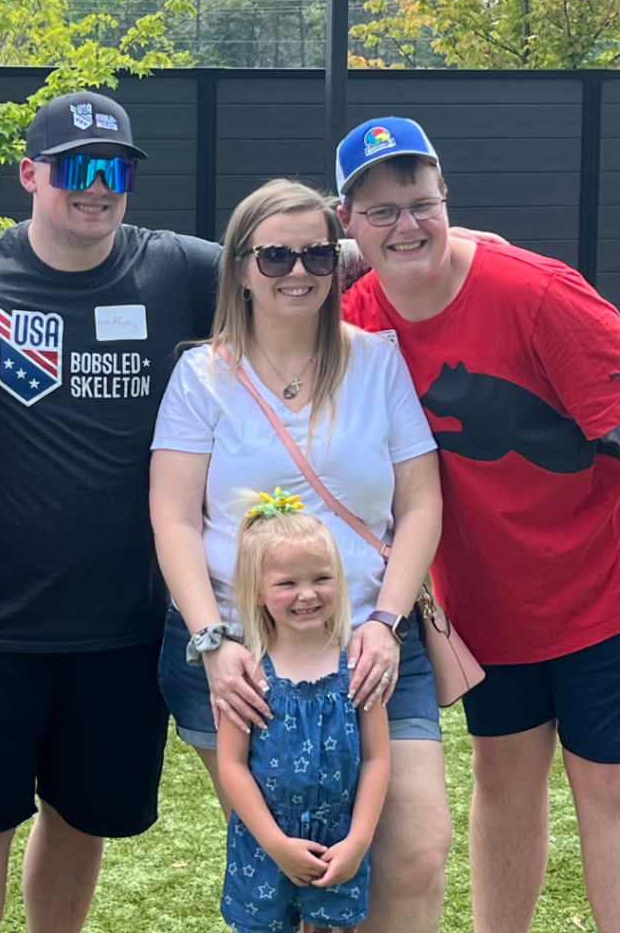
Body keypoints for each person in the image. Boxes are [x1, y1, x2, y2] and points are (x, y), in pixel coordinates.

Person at [0, 91, 220, 933]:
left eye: (115, 169)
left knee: (83, 820)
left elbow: (297, 262)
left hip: (122, 623)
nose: (98, 186)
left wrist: (451, 240)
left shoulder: (178, 270)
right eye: (77, 167)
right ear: (29, 175)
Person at [336, 116, 620, 933]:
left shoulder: (535, 290)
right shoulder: (355, 320)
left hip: (599, 587)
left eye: (420, 203)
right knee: (501, 773)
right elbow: (258, 272)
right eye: (381, 211)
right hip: (487, 605)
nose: (407, 225)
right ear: (349, 224)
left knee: (604, 782)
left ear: (446, 198)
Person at [150, 177, 449, 933]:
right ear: (241, 268)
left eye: (317, 253)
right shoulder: (202, 376)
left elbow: (420, 504)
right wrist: (213, 644)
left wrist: (383, 621)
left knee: (413, 854)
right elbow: (175, 519)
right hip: (242, 657)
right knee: (289, 870)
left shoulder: (377, 361)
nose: (298, 272)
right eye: (275, 255)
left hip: (373, 649)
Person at [217, 489, 390, 933]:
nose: (307, 594)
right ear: (257, 591)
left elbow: (376, 758)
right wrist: (275, 844)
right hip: (264, 849)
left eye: (321, 578)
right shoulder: (248, 675)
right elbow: (231, 765)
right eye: (287, 583)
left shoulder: (356, 667)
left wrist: (359, 841)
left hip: (339, 844)